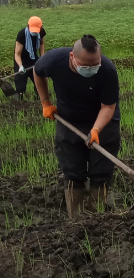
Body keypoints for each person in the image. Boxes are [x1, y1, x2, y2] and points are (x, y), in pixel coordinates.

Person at [34, 35, 121, 219]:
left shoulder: (107, 69)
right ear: (72, 56)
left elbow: (108, 107)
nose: (91, 69)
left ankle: (96, 218)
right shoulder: (54, 60)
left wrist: (96, 129)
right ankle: (77, 220)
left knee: (102, 170)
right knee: (72, 170)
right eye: (86, 66)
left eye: (94, 65)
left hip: (102, 120)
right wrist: (45, 102)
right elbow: (38, 71)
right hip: (69, 120)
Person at [12, 16, 46, 101]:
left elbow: (41, 44)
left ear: (40, 27)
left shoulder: (41, 32)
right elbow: (17, 54)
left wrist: (42, 57)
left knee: (39, 80)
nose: (34, 32)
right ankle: (18, 102)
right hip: (21, 59)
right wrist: (20, 66)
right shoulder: (22, 34)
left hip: (34, 58)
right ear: (28, 26)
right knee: (20, 83)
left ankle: (39, 100)